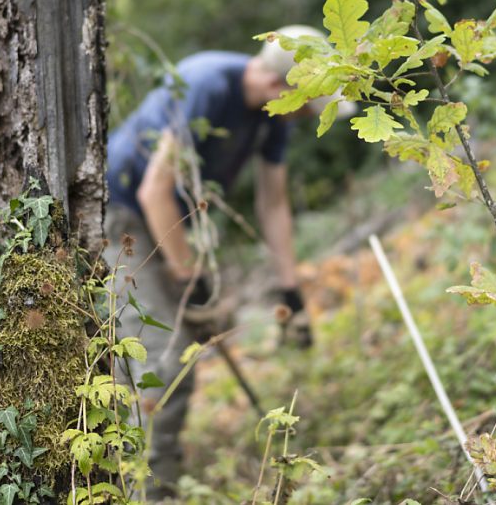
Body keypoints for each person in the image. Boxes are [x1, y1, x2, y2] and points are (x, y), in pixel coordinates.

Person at [103, 26, 352, 499]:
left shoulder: (272, 117)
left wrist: (290, 290)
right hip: (123, 221)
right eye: (310, 103)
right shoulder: (207, 83)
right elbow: (154, 189)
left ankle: (140, 481)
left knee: (163, 357)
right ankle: (148, 493)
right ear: (284, 87)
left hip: (167, 225)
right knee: (166, 359)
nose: (307, 116)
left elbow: (273, 204)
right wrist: (186, 275)